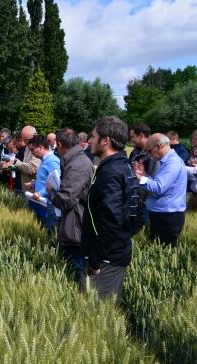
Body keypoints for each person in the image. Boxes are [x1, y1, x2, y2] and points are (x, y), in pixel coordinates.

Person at [82, 116, 135, 301]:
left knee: (97, 312)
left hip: (106, 259)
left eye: (93, 136)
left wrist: (96, 260)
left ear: (105, 141)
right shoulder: (121, 166)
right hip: (114, 253)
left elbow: (111, 222)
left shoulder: (111, 172)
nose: (89, 140)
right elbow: (135, 214)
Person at [47, 128, 94, 284]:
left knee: (76, 274)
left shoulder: (77, 164)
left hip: (75, 228)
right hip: (73, 224)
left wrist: (52, 191)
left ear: (59, 144)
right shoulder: (75, 160)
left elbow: (66, 200)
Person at [133, 133, 187, 246]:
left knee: (165, 254)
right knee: (158, 250)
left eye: (149, 150)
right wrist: (144, 174)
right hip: (163, 215)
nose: (148, 154)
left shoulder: (173, 163)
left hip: (168, 218)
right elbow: (159, 183)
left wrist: (141, 178)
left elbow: (158, 187)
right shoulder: (167, 161)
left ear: (158, 146)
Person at [27, 135, 61, 233]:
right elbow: (46, 180)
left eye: (32, 149)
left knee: (49, 234)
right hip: (42, 203)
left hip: (50, 206)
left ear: (40, 147)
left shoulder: (52, 161)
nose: (32, 153)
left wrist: (40, 193)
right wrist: (34, 184)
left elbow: (56, 184)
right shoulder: (44, 160)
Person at [1, 125, 41, 191]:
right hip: (27, 187)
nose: (25, 142)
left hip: (35, 189)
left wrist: (15, 162)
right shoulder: (27, 147)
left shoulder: (38, 147)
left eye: (26, 140)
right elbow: (25, 165)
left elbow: (33, 169)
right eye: (24, 139)